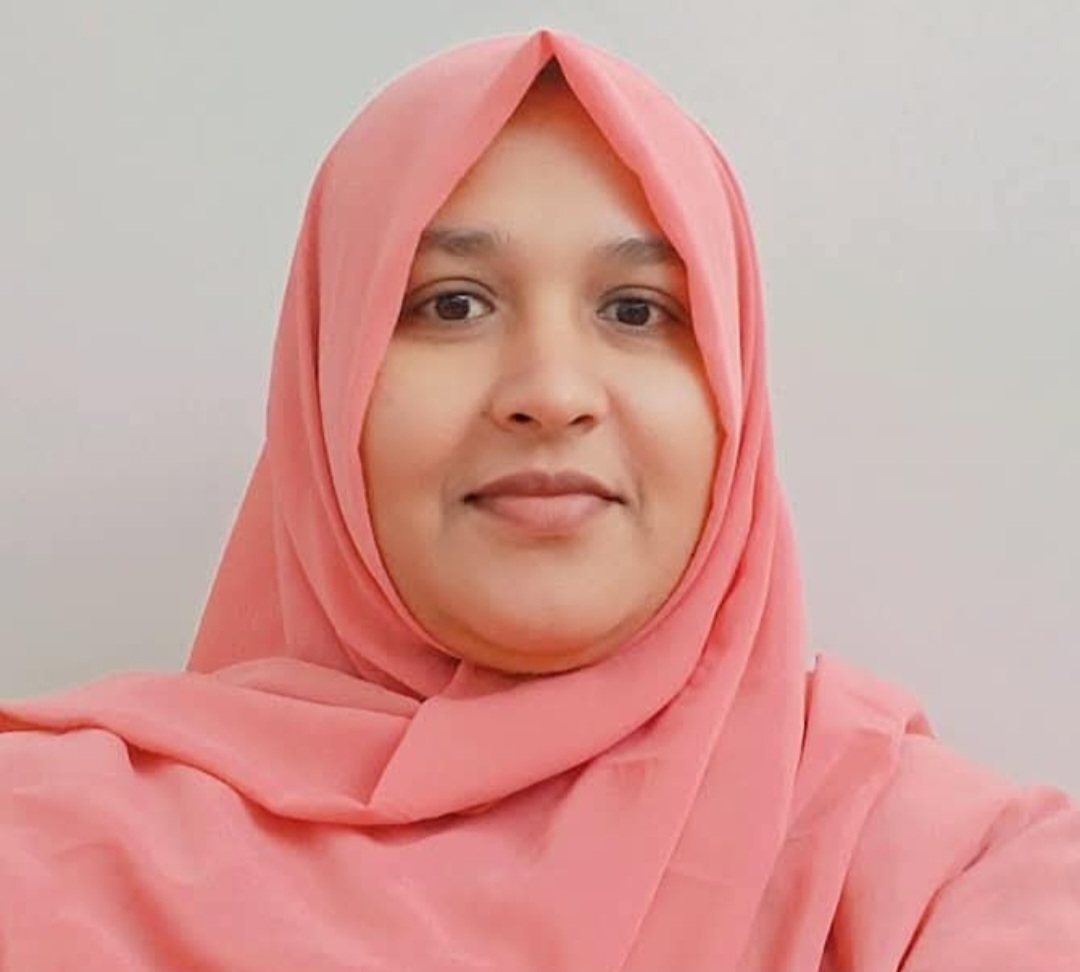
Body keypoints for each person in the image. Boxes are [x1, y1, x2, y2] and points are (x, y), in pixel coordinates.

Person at [1, 28, 1077, 971]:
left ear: (734, 397)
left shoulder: (950, 873)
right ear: (326, 382)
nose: (552, 393)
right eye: (452, 304)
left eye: (638, 309)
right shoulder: (44, 844)